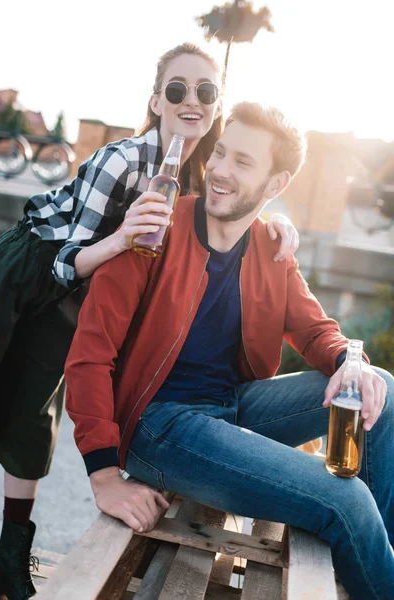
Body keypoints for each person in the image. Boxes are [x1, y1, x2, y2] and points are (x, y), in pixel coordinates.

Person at [0, 44, 299, 600]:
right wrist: (122, 237)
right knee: (21, 403)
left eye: (206, 91)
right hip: (38, 267)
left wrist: (277, 222)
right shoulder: (123, 161)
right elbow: (66, 259)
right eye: (177, 89)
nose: (191, 100)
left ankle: (9, 551)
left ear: (217, 104)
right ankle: (11, 555)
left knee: (34, 423)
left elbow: (237, 204)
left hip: (90, 285)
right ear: (157, 99)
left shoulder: (204, 165)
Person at [65, 101, 394, 600]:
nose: (218, 169)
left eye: (243, 162)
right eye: (220, 153)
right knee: (345, 500)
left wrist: (351, 360)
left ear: (276, 184)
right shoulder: (154, 229)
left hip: (231, 408)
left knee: (382, 387)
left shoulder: (269, 247)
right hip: (162, 426)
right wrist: (104, 474)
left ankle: (378, 567)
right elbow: (89, 353)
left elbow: (315, 331)